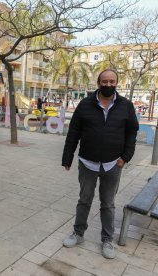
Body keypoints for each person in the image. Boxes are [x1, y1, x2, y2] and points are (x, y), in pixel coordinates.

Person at [61, 69, 139, 259]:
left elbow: (132, 133)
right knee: (84, 200)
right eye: (104, 81)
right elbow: (73, 132)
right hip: (87, 163)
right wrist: (67, 158)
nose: (108, 85)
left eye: (112, 81)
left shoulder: (126, 106)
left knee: (108, 204)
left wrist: (125, 157)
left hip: (113, 164)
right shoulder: (85, 104)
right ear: (98, 83)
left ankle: (107, 240)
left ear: (117, 83)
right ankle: (78, 234)